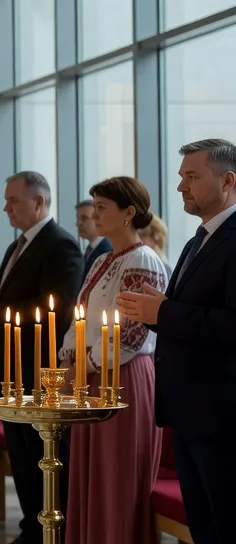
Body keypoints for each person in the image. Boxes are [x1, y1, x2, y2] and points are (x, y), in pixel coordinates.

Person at [119, 139, 236, 544]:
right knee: (204, 527)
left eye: (191, 176)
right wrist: (153, 312)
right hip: (188, 413)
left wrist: (164, 313)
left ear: (228, 181)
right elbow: (186, 317)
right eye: (181, 176)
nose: (180, 186)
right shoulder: (197, 240)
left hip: (221, 416)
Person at [0, 171, 84, 544]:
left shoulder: (61, 245)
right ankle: (31, 524)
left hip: (38, 367)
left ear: (39, 202)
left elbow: (57, 309)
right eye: (6, 200)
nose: (5, 208)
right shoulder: (20, 245)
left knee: (41, 452)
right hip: (12, 367)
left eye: (13, 201)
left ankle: (51, 527)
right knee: (20, 450)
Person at [59, 177, 164, 544]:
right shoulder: (103, 258)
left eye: (102, 207)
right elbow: (80, 316)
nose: (94, 213)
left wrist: (84, 364)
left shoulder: (143, 260)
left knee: (117, 477)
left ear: (128, 213)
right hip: (89, 375)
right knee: (92, 476)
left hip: (123, 377)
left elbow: (132, 333)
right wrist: (68, 360)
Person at [76, 198, 113, 274]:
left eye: (84, 218)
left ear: (98, 218)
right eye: (78, 218)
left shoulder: (107, 251)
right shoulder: (89, 249)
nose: (78, 223)